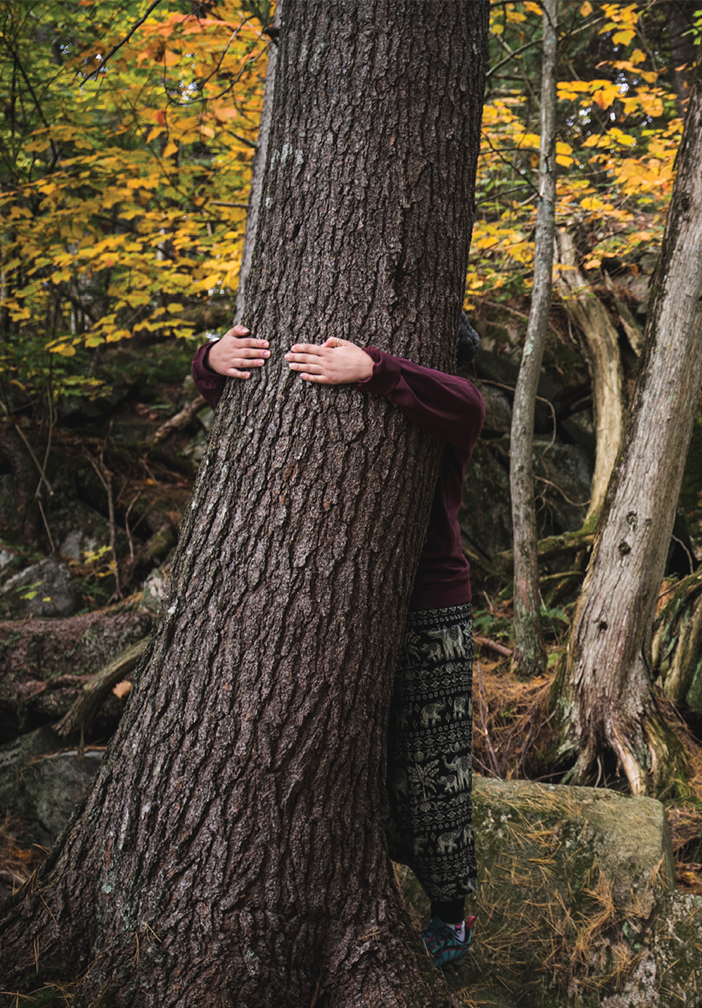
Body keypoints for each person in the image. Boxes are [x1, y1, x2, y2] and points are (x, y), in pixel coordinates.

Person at [191, 322, 486, 968]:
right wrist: (210, 359)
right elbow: (248, 394)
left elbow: (470, 403)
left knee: (431, 770)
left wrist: (375, 370)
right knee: (342, 757)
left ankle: (450, 913)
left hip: (429, 606)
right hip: (338, 599)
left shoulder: (443, 404)